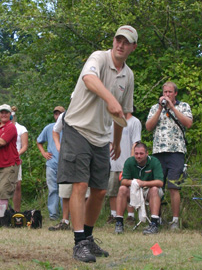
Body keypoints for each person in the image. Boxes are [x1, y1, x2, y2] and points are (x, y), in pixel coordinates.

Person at [57, 25, 137, 262]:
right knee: (80, 184)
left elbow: (123, 113)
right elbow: (89, 79)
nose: (120, 45)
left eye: (126, 42)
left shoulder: (128, 75)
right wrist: (110, 98)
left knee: (101, 190)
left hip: (102, 137)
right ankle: (78, 242)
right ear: (113, 40)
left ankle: (88, 239)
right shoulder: (99, 58)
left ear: (133, 47)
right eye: (118, 39)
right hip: (77, 128)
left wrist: (117, 141)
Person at [145, 81, 193, 230]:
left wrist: (172, 108)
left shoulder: (183, 106)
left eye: (169, 92)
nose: (166, 95)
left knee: (174, 186)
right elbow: (148, 127)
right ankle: (155, 218)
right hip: (158, 151)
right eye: (165, 92)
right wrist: (160, 108)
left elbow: (188, 123)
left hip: (176, 151)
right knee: (157, 186)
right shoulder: (155, 108)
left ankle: (175, 220)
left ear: (175, 94)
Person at [114, 142, 164, 235]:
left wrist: (144, 183)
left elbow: (160, 182)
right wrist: (135, 182)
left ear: (147, 153)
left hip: (149, 191)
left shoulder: (154, 161)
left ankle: (154, 224)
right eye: (136, 153)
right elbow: (123, 181)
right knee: (122, 189)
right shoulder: (129, 161)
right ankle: (119, 223)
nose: (138, 156)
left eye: (141, 154)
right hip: (134, 190)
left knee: (154, 189)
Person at [106, 107, 141, 225]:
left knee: (129, 190)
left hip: (127, 162)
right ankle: (114, 214)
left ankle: (130, 216)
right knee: (112, 189)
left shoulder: (135, 122)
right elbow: (110, 141)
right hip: (113, 162)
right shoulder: (113, 121)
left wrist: (130, 162)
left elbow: (136, 142)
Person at [37, 106, 65, 221]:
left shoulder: (70, 128)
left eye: (60, 114)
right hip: (51, 163)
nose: (57, 116)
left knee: (65, 191)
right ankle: (53, 215)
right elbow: (39, 141)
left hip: (65, 164)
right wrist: (44, 153)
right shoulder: (49, 128)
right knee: (53, 189)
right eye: (56, 114)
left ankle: (66, 215)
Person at [11, 106, 28, 212]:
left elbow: (24, 146)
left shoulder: (21, 129)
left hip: (15, 160)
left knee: (17, 185)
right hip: (3, 160)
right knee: (3, 187)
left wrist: (16, 155)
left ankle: (17, 211)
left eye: (12, 116)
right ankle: (2, 212)